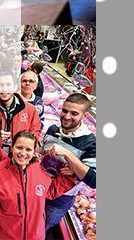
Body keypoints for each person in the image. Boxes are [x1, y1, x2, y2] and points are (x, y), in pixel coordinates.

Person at [0, 131, 76, 240]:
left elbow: (51, 190)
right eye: (19, 147)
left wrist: (71, 175)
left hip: (35, 236)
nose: (23, 153)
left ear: (34, 152)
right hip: (4, 236)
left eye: (28, 149)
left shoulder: (40, 172)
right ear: (12, 147)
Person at [43, 93, 96, 229]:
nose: (67, 116)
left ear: (84, 116)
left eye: (74, 113)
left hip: (60, 199)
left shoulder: (90, 142)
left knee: (42, 229)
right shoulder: (53, 130)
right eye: (65, 111)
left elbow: (94, 180)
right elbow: (42, 153)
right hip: (38, 187)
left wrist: (68, 154)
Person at [0, 71, 42, 143]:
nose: (4, 89)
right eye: (1, 85)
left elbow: (36, 131)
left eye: (8, 85)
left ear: (15, 87)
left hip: (20, 153)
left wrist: (22, 142)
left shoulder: (30, 110)